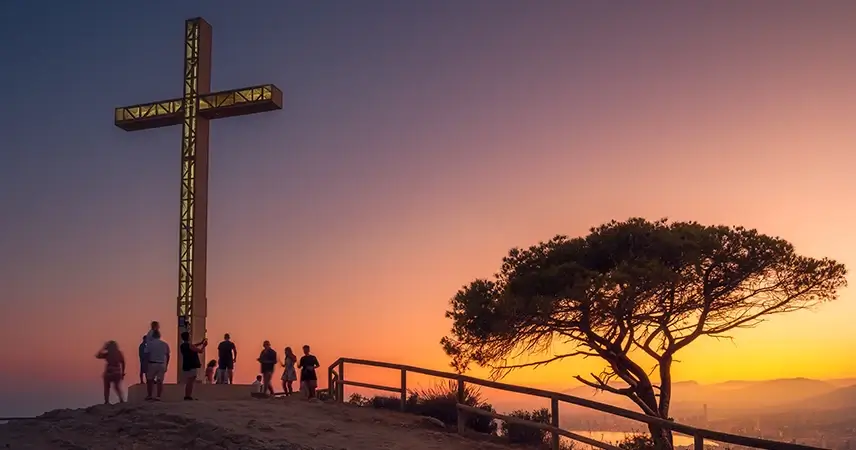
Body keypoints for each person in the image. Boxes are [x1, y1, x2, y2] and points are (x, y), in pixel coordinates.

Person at [179, 331, 207, 400]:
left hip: (186, 364)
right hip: (192, 364)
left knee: (188, 380)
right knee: (190, 381)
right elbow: (200, 351)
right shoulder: (189, 345)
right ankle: (188, 395)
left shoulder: (182, 345)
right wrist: (203, 346)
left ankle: (187, 395)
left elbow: (193, 346)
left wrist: (200, 343)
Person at [144, 329, 170, 401]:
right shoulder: (164, 344)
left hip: (152, 363)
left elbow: (146, 355)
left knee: (150, 380)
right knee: (160, 381)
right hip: (162, 364)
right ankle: (158, 396)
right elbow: (167, 355)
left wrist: (145, 365)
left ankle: (150, 395)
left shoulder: (150, 344)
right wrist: (166, 364)